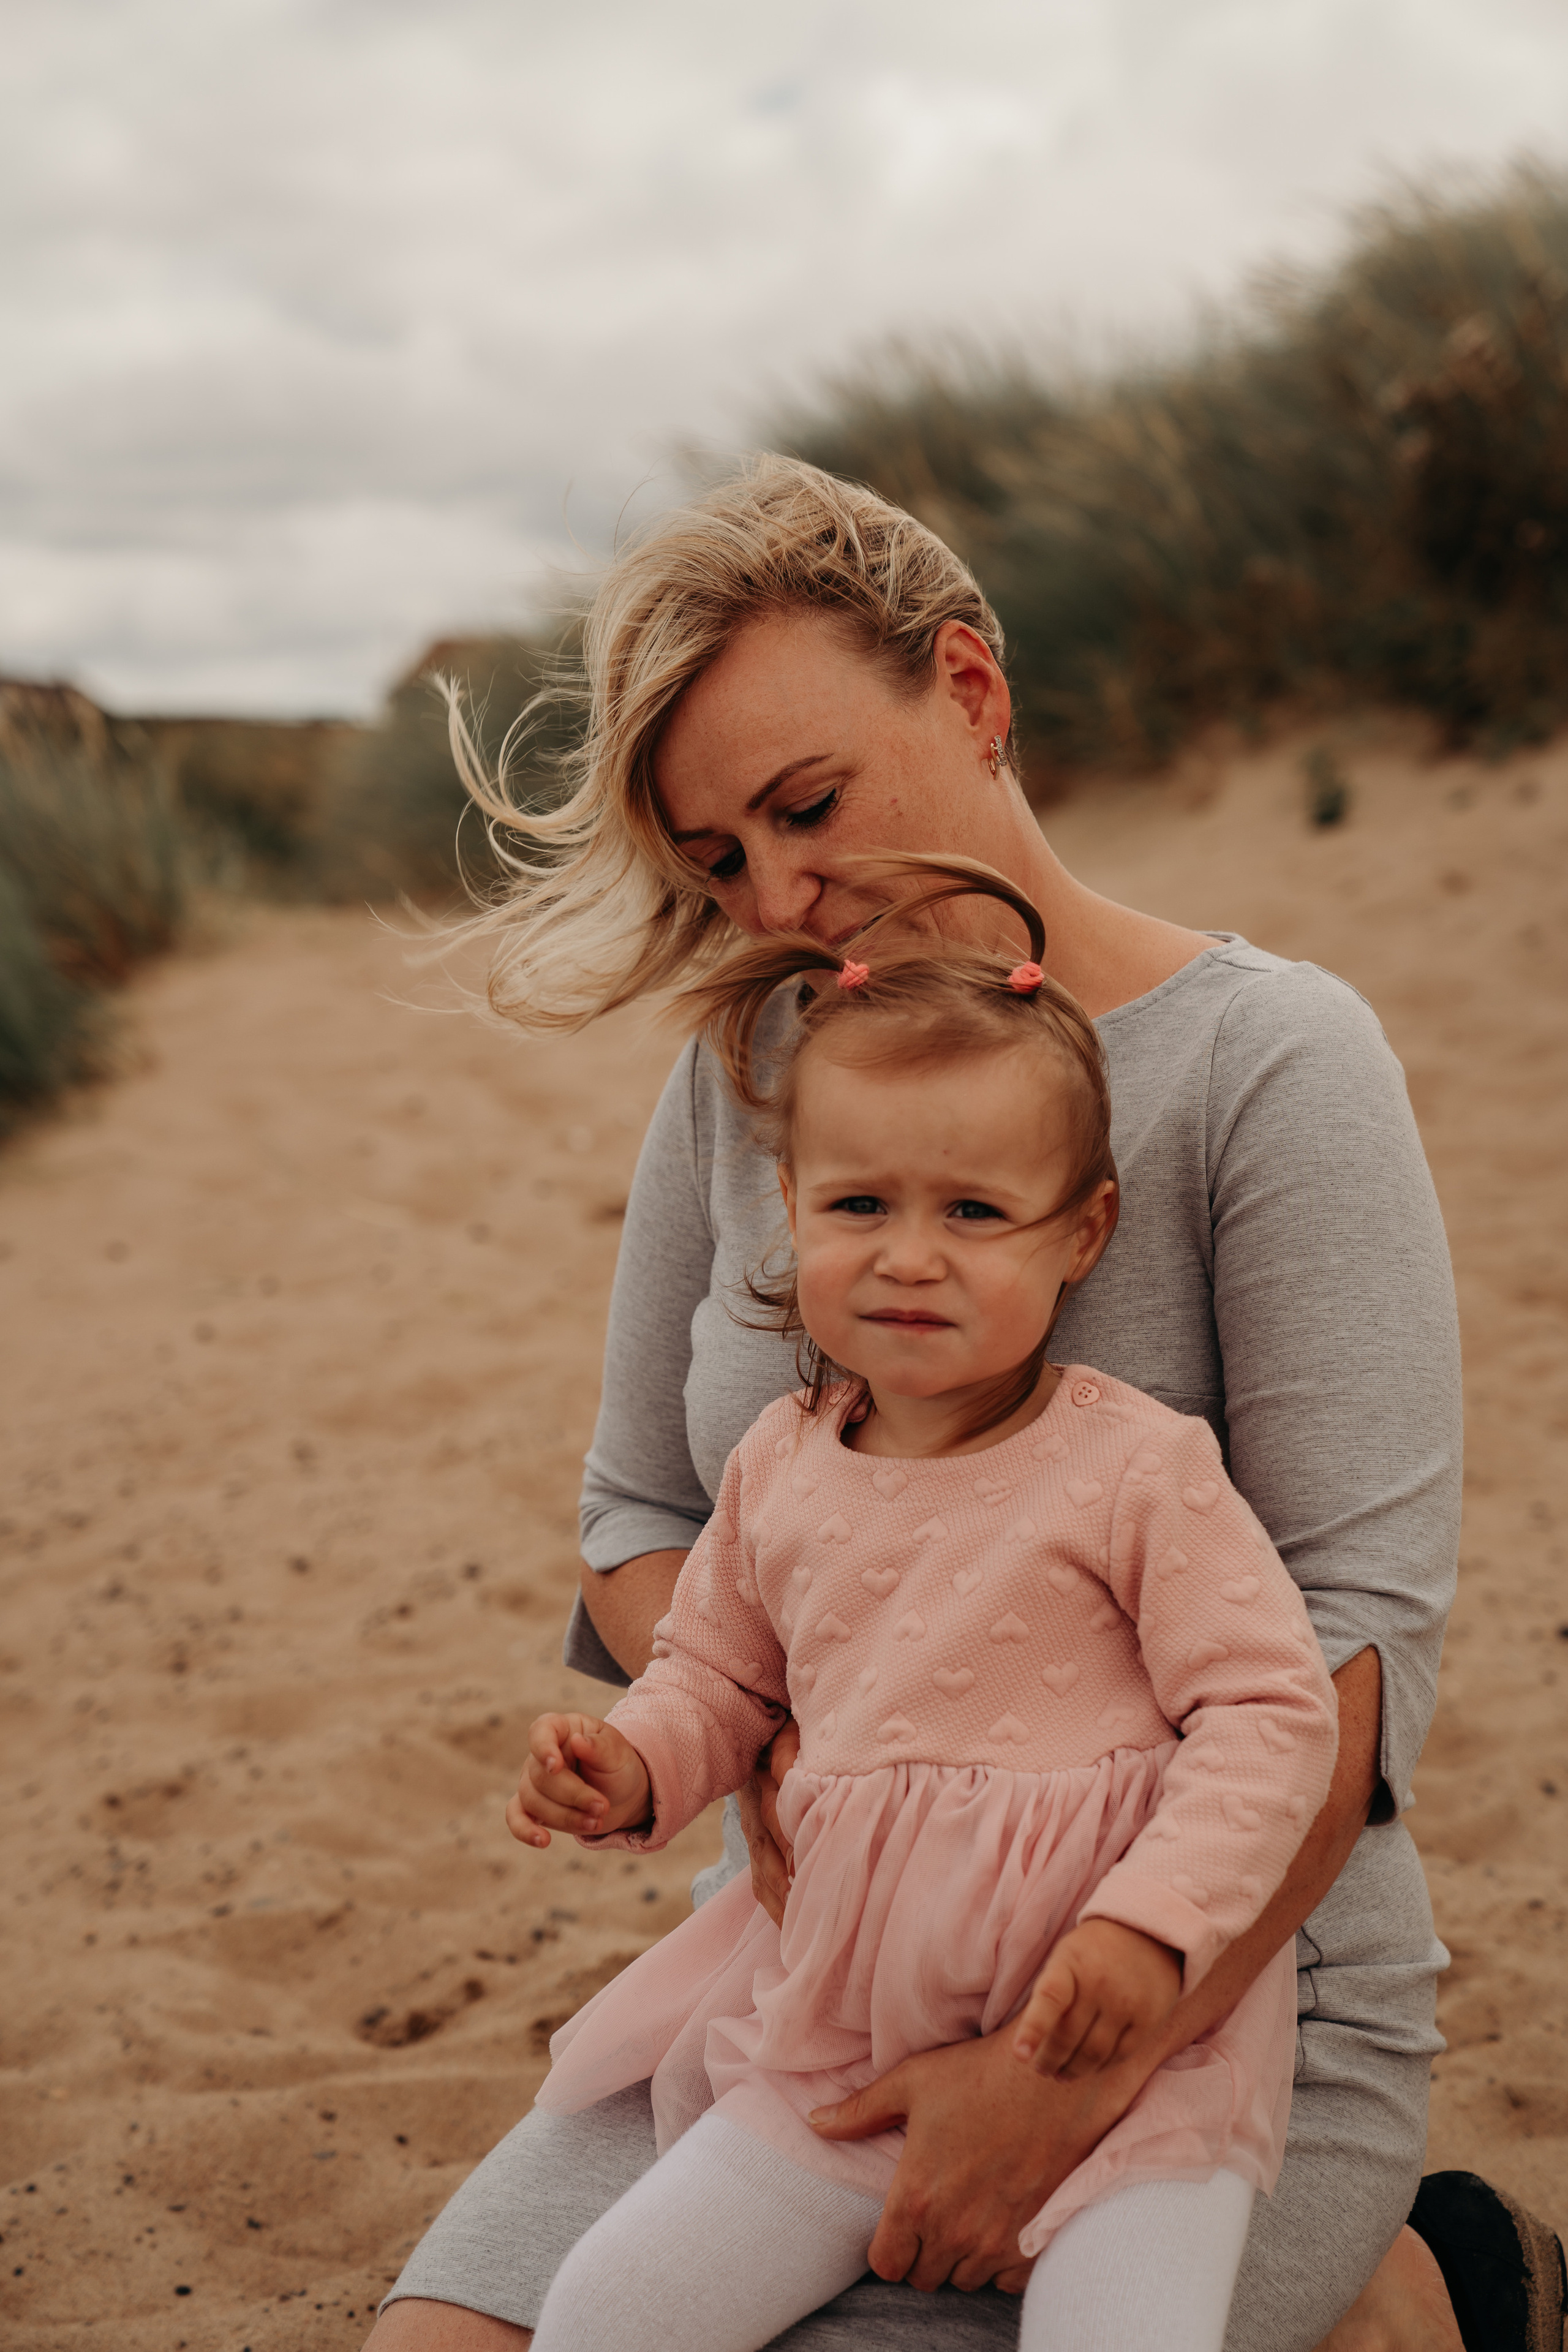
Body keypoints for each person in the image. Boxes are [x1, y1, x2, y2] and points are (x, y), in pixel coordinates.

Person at [366, 458, 1558, 2350]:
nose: (781, 897)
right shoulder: (746, 1066)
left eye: (808, 806)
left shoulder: (1276, 1067)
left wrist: (1066, 2074)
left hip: (1207, 1978)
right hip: (820, 1964)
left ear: (973, 692)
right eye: (717, 863)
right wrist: (769, 1737)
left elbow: (1353, 1654)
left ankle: (1427, 2280)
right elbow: (633, 1521)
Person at [505, 869, 1341, 2352]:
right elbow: (715, 1677)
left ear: (1079, 1235)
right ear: (789, 1211)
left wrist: (1149, 1932)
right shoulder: (779, 1465)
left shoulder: (1135, 1466)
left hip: (1121, 2043)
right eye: (858, 1204)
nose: (907, 1253)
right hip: (843, 2025)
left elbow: (1270, 1707)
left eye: (972, 1209)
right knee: (602, 2315)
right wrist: (633, 1762)